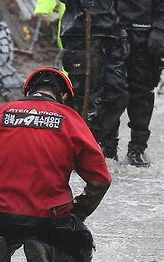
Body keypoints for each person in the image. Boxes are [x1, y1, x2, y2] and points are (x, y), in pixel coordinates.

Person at [0, 67, 112, 262]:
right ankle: (47, 252)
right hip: (51, 217)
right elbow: (100, 180)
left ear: (28, 90)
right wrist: (76, 213)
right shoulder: (71, 120)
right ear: (64, 96)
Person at [59, 0, 129, 157]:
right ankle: (75, 146)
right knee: (82, 96)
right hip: (79, 31)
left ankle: (96, 139)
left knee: (117, 94)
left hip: (112, 34)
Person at [113, 0, 164, 167]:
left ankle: (137, 149)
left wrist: (159, 30)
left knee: (142, 95)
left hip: (144, 38)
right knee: (111, 94)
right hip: (112, 36)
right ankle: (108, 149)